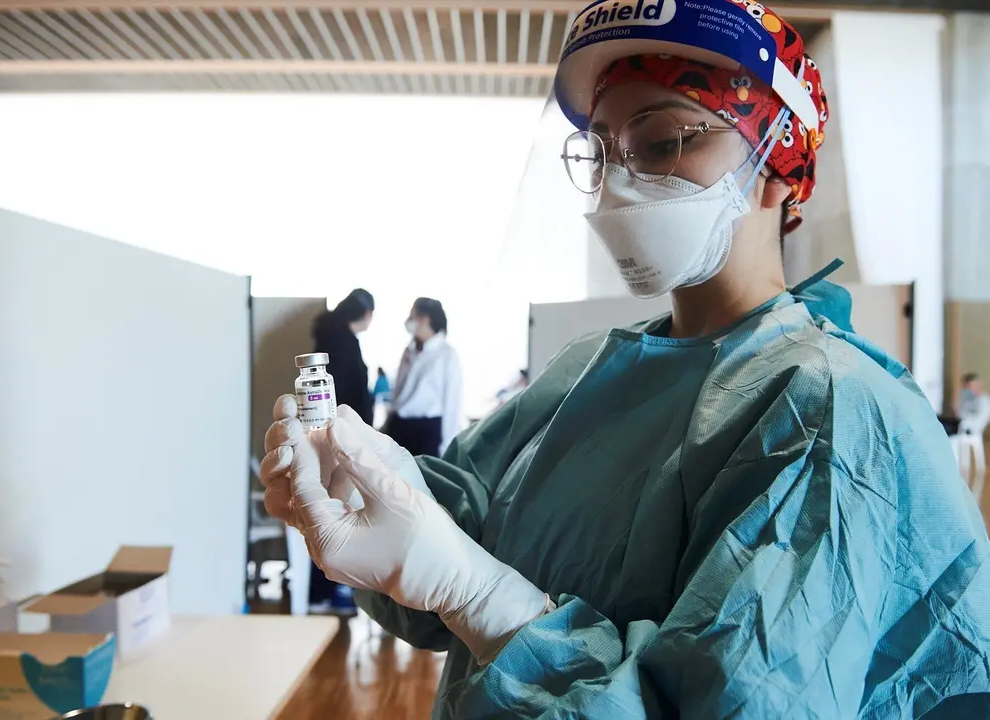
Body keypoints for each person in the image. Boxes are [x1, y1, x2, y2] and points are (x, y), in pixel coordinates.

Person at [261, 3, 990, 717]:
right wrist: (358, 483)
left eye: (663, 140)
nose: (619, 181)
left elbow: (744, 700)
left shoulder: (824, 408)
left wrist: (481, 598)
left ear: (777, 163)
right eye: (603, 148)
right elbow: (440, 565)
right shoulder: (584, 373)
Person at [307, 288, 374, 613]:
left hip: (335, 437)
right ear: (363, 314)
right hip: (338, 440)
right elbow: (345, 392)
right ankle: (326, 591)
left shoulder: (331, 336)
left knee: (329, 511)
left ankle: (326, 589)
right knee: (335, 511)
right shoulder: (343, 342)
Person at [383, 298, 463, 458]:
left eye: (412, 316)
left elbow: (452, 402)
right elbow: (398, 390)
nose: (409, 321)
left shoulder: (447, 354)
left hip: (426, 431)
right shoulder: (409, 350)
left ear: (425, 319)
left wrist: (447, 446)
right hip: (399, 425)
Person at [312, 289, 375, 425]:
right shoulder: (344, 341)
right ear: (367, 314)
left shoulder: (330, 335)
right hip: (343, 424)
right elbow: (341, 386)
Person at [957, 372, 990, 498]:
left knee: (978, 467)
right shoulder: (963, 399)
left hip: (974, 434)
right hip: (962, 433)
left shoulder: (984, 401)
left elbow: (981, 420)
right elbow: (960, 415)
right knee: (963, 463)